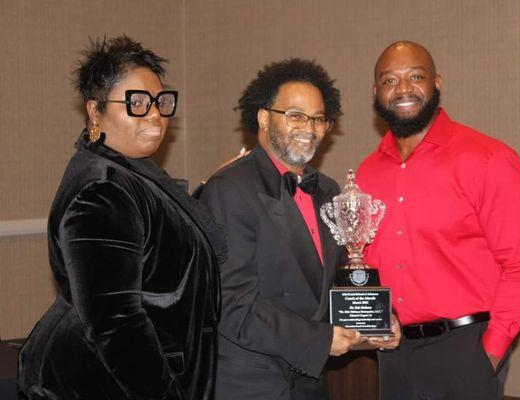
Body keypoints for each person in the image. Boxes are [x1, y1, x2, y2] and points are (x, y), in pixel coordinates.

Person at [17, 35, 225, 400]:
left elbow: (161, 241)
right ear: (95, 111)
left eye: (161, 101)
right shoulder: (101, 190)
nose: (156, 114)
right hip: (105, 383)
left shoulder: (130, 170)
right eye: (138, 103)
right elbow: (116, 324)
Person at [356, 41, 520, 400]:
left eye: (416, 77)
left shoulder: (488, 159)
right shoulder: (367, 173)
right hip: (392, 350)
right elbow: (365, 261)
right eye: (390, 80)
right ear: (376, 93)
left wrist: (489, 353)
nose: (403, 89)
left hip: (465, 348)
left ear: (437, 83)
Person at [199, 59, 395, 400]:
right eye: (295, 115)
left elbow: (329, 287)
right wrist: (318, 341)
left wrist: (374, 319)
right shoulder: (230, 188)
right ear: (263, 118)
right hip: (249, 383)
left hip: (309, 381)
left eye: (319, 118)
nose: (310, 127)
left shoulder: (331, 192)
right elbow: (230, 301)